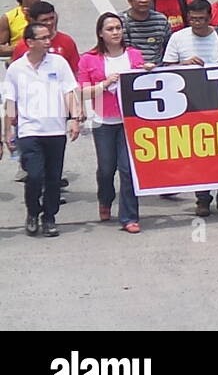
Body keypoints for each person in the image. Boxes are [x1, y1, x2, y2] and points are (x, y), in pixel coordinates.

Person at [163, 0, 218, 217]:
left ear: (210, 18)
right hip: (192, 106)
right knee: (201, 154)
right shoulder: (177, 38)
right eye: (193, 19)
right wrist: (184, 65)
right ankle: (203, 199)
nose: (197, 23)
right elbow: (166, 69)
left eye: (201, 19)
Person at [4, 21, 81, 238]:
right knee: (35, 176)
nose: (49, 42)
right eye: (43, 38)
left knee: (53, 178)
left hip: (55, 130)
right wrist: (8, 131)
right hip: (29, 131)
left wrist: (75, 118)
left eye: (49, 37)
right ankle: (32, 211)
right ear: (29, 42)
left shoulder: (58, 63)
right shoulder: (16, 68)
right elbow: (10, 100)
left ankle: (49, 218)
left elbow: (70, 91)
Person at [77, 13, 146, 233]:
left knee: (128, 170)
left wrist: (147, 71)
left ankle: (129, 217)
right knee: (107, 169)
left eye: (118, 28)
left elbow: (143, 84)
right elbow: (82, 92)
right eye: (110, 29)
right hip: (104, 122)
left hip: (130, 122)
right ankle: (105, 198)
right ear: (101, 33)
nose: (116, 32)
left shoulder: (134, 55)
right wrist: (104, 84)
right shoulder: (89, 58)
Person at [122, 0, 172, 67]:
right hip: (130, 71)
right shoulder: (119, 22)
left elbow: (169, 47)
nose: (144, 0)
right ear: (129, 0)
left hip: (158, 71)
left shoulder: (161, 20)